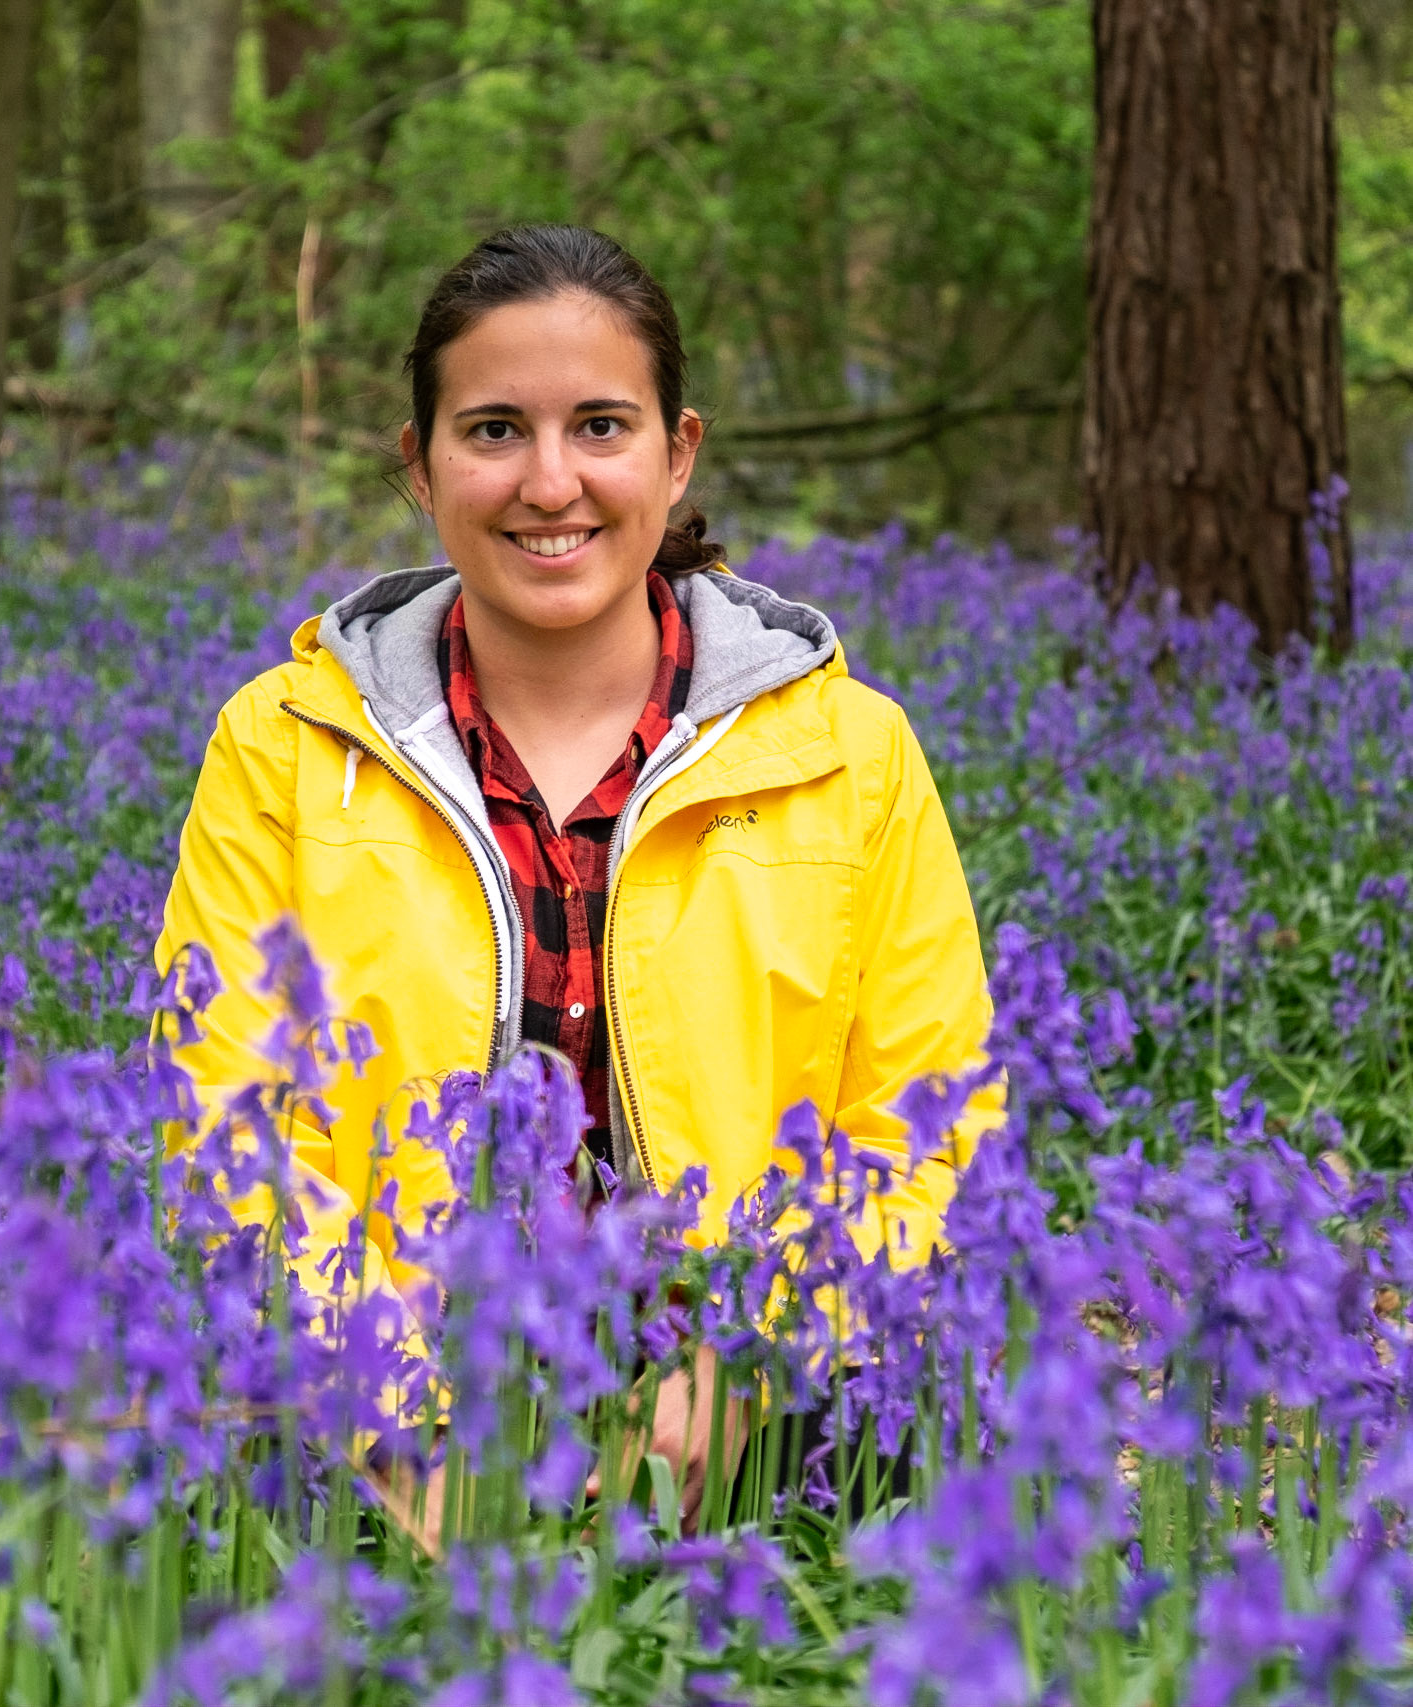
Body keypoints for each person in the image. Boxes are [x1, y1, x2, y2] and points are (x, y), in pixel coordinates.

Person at [154, 224, 999, 1548]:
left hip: (765, 1410)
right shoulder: (284, 749)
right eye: (494, 430)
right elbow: (226, 1126)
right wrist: (402, 1423)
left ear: (678, 452)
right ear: (420, 465)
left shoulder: (851, 755)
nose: (551, 483)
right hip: (377, 1412)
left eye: (601, 426)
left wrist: (743, 1369)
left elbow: (929, 1126)